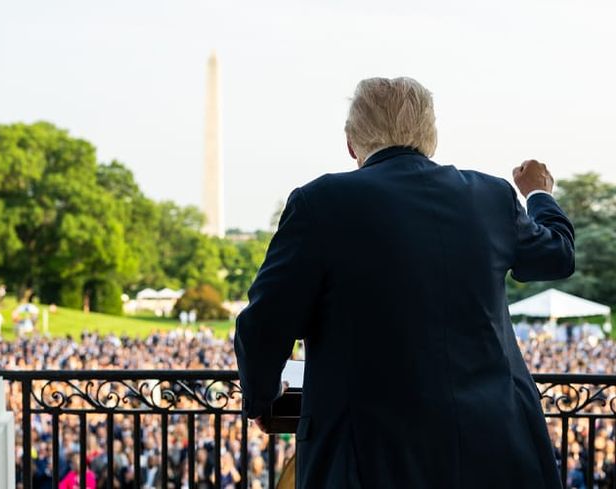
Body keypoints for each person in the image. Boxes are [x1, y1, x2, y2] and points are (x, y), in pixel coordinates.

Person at [235, 77, 575, 488]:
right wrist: (538, 194)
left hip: (369, 456)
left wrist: (260, 398)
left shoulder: (319, 202)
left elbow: (265, 323)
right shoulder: (492, 196)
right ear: (430, 139)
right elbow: (557, 256)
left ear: (351, 144)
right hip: (493, 445)